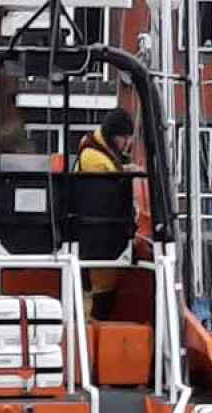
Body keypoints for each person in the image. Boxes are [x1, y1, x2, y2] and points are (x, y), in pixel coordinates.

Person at [76, 107, 136, 320]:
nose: (127, 144)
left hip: (100, 234)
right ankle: (91, 329)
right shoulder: (95, 160)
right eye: (125, 138)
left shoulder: (98, 150)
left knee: (103, 291)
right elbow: (111, 189)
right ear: (114, 136)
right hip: (97, 236)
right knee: (99, 295)